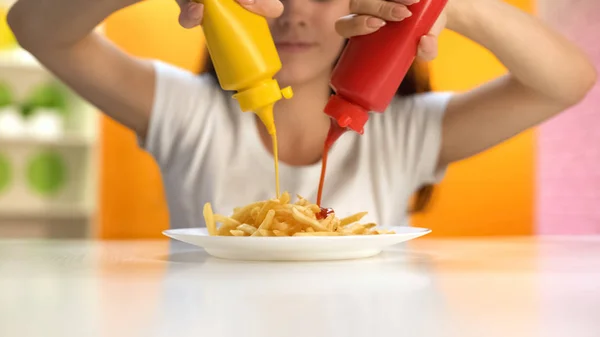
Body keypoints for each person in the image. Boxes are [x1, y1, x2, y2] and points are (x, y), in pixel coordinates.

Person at [8, 0, 596, 229]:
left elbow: (567, 81)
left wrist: (447, 5)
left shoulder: (402, 133)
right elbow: (32, 27)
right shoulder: (188, 114)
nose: (292, 13)